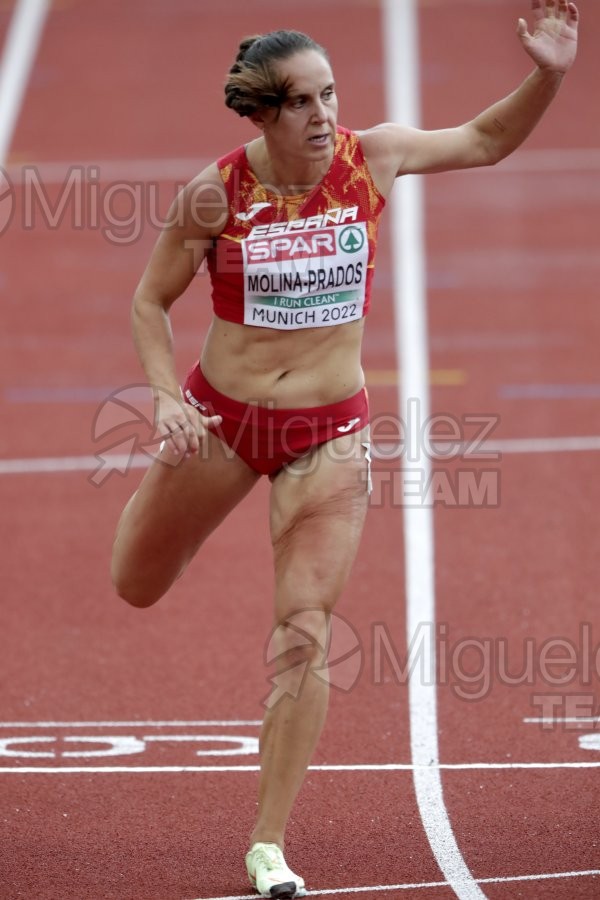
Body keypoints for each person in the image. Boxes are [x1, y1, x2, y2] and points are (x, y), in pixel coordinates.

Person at [111, 2, 578, 896]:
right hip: (220, 421)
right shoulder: (215, 193)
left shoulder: (376, 157)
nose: (324, 117)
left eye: (330, 96)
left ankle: (268, 844)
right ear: (261, 113)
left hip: (329, 433)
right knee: (135, 582)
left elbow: (483, 140)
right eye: (300, 104)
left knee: (303, 629)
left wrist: (549, 73)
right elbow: (146, 303)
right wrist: (166, 400)